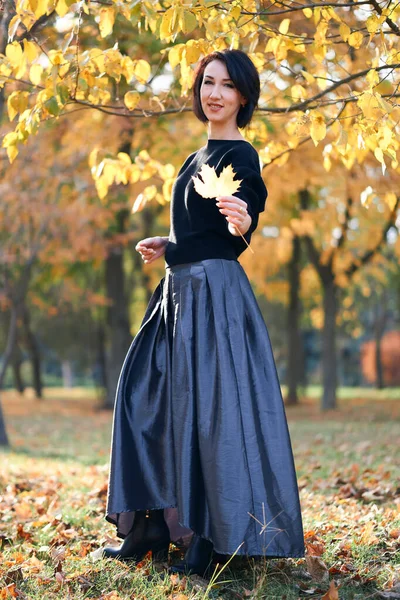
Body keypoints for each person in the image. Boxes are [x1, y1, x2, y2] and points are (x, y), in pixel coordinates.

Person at [103, 49, 305, 576]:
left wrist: (245, 221)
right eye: (207, 82)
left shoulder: (242, 155)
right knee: (143, 397)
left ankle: (211, 537)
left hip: (213, 298)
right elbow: (195, 232)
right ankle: (148, 526)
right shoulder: (195, 158)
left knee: (210, 416)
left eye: (226, 85)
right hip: (177, 294)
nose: (213, 93)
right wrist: (167, 245)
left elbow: (241, 219)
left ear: (243, 96)